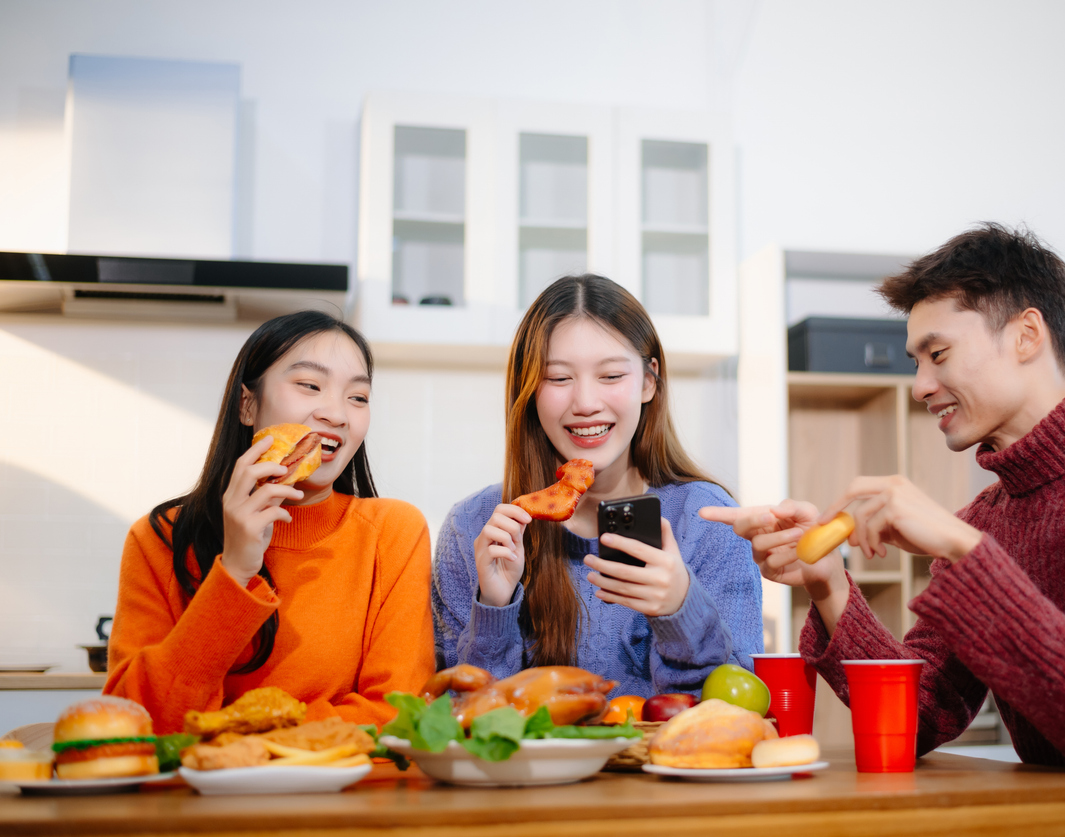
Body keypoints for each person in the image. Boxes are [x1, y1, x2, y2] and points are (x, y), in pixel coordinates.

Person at [703, 224, 1065, 836]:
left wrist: (962, 548)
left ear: (1026, 336)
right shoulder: (990, 518)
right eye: (917, 362)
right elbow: (917, 719)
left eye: (938, 355)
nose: (920, 387)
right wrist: (829, 585)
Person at [106, 311, 435, 733]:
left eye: (358, 397)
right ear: (248, 405)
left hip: (344, 792)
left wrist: (232, 731)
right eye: (310, 386)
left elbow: (398, 713)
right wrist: (236, 571)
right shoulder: (160, 539)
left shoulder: (393, 532)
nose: (336, 414)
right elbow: (133, 724)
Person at [433, 274, 762, 696]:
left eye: (609, 376)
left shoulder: (709, 519)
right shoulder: (474, 527)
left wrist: (681, 608)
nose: (586, 403)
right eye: (558, 378)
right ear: (529, 389)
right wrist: (494, 609)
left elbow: (734, 715)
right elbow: (461, 720)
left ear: (648, 381)